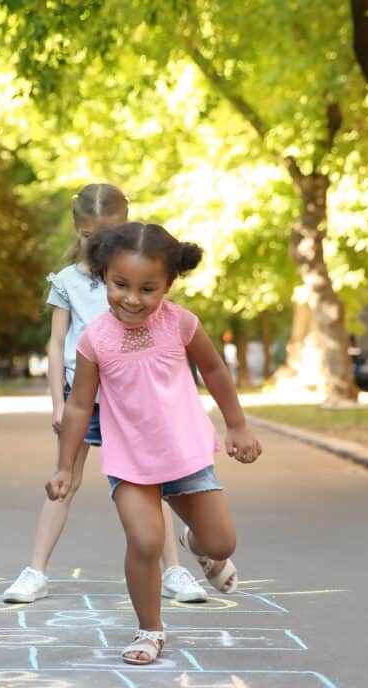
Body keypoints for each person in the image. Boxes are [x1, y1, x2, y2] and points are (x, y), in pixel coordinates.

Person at [47, 222, 263, 665]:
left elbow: (215, 370)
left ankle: (197, 545)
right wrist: (66, 465)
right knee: (144, 542)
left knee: (221, 543)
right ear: (104, 276)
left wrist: (237, 425)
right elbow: (78, 405)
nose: (132, 298)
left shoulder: (181, 323)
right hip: (131, 462)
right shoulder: (95, 340)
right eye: (120, 284)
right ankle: (150, 629)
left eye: (148, 288)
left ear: (168, 284)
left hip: (184, 454)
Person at [4, 184, 209, 605]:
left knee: (154, 483)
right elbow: (55, 343)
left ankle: (174, 571)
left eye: (107, 235)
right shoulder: (66, 282)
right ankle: (35, 571)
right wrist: (59, 403)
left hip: (134, 397)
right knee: (65, 479)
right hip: (84, 396)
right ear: (77, 230)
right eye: (88, 236)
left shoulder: (135, 276)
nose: (96, 244)